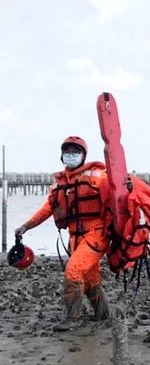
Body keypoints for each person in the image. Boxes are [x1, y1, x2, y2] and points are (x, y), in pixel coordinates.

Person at [15, 136, 112, 328]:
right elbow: (47, 209)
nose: (71, 155)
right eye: (67, 152)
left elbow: (116, 200)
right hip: (75, 238)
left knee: (73, 270)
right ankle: (103, 315)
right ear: (61, 156)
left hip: (96, 234)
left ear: (84, 156)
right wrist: (25, 226)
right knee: (90, 278)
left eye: (75, 152)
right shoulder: (59, 184)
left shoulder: (99, 176)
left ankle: (72, 318)